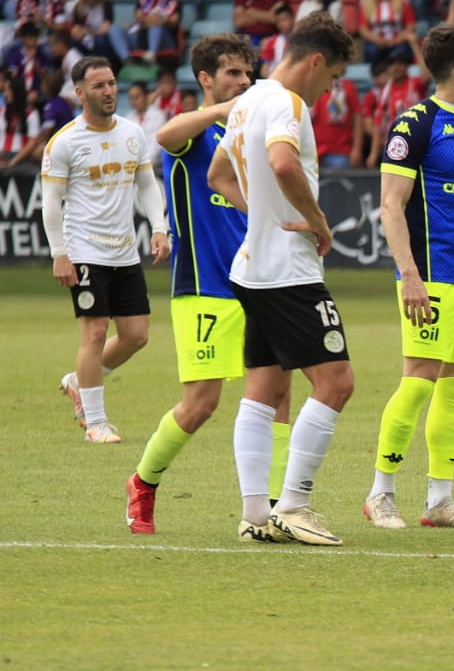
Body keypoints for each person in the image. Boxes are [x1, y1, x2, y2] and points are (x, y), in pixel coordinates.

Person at [125, 35, 293, 534]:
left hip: (256, 281)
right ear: (206, 79)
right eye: (233, 74)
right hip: (203, 287)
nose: (244, 82)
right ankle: (144, 482)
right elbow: (164, 136)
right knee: (201, 404)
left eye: (248, 75)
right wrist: (226, 109)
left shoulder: (246, 134)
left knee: (279, 392)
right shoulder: (194, 134)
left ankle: (277, 509)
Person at [207, 12, 356, 546]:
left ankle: (253, 513)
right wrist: (316, 221)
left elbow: (218, 176)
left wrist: (259, 219)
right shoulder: (288, 103)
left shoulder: (246, 101)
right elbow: (284, 164)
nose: (329, 89)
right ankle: (293, 505)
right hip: (289, 271)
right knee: (336, 383)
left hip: (252, 267)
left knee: (264, 389)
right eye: (333, 76)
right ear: (316, 61)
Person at [363, 25, 454, 533]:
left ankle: (440, 499)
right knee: (419, 380)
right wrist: (409, 275)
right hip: (433, 275)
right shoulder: (415, 124)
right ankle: (380, 493)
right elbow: (390, 205)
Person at [45, 57, 171, 445]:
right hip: (84, 251)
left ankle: (78, 382)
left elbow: (147, 185)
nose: (109, 91)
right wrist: (60, 253)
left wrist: (160, 227)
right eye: (99, 85)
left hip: (124, 252)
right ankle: (96, 422)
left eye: (112, 83)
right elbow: (51, 202)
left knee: (136, 336)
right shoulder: (65, 142)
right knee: (96, 332)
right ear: (81, 93)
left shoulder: (132, 133)